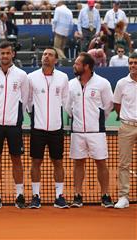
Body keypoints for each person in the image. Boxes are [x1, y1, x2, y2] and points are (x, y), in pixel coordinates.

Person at [0, 41, 29, 209]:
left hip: (14, 125)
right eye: (2, 53)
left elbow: (24, 99)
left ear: (13, 54)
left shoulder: (22, 75)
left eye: (7, 53)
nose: (4, 56)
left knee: (16, 159)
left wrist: (15, 116)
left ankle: (20, 195)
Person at [66, 52, 114, 208]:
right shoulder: (71, 84)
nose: (75, 65)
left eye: (78, 63)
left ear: (86, 66)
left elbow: (108, 105)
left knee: (101, 163)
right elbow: (68, 106)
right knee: (78, 163)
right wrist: (77, 119)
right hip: (77, 132)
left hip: (96, 132)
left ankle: (105, 195)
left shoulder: (103, 83)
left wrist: (98, 119)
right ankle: (78, 195)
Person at [27, 47, 69, 209]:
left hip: (56, 128)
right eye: (44, 54)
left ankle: (59, 196)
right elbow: (28, 102)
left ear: (56, 60)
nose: (46, 57)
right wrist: (35, 117)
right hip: (38, 128)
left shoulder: (63, 78)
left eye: (50, 55)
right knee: (36, 161)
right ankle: (36, 196)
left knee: (58, 161)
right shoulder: (31, 78)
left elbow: (65, 100)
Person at [113, 52, 137, 209]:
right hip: (127, 126)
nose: (133, 66)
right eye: (131, 63)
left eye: (135, 63)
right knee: (124, 163)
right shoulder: (121, 83)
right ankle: (123, 196)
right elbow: (117, 104)